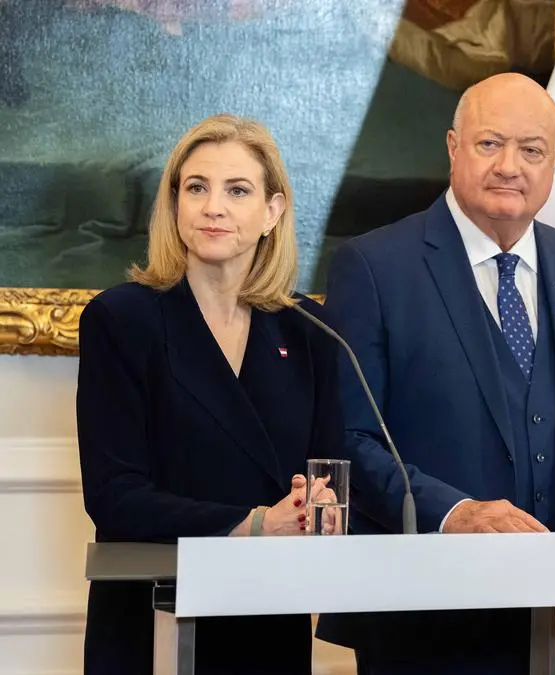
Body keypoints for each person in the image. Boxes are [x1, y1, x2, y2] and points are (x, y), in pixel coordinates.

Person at [313, 72, 555, 675]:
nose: (510, 166)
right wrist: (456, 513)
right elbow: (349, 441)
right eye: (490, 144)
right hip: (425, 620)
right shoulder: (376, 267)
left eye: (531, 150)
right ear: (453, 147)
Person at [76, 113, 344, 675]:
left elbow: (330, 469)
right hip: (154, 618)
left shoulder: (309, 329)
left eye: (237, 190)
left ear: (272, 212)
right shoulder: (121, 319)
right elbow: (114, 496)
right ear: (175, 204)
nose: (212, 207)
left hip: (267, 617)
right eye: (196, 188)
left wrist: (317, 509)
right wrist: (255, 523)